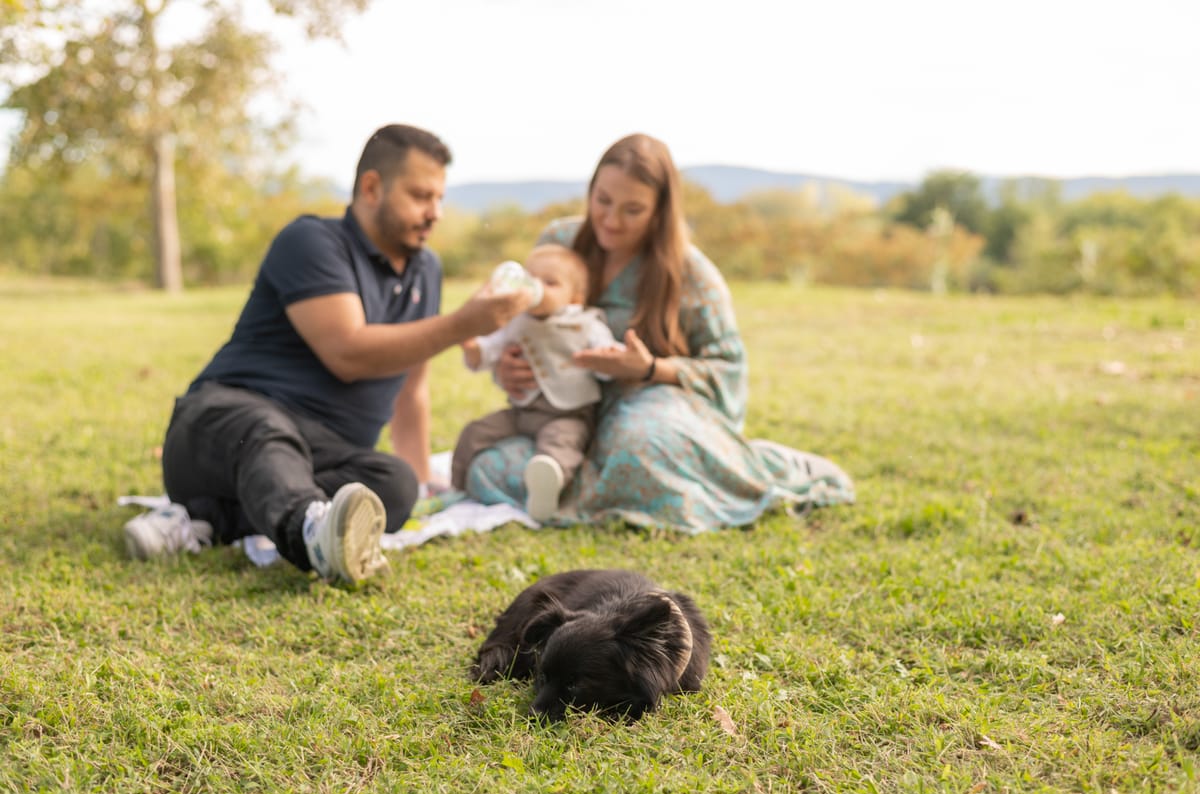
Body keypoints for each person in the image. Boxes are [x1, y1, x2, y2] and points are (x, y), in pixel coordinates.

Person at [124, 124, 534, 584]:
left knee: (395, 485)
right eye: (421, 196)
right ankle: (310, 532)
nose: (434, 212)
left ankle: (203, 520)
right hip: (221, 424)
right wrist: (467, 322)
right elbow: (348, 352)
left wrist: (421, 477)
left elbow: (411, 387)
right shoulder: (312, 242)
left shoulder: (427, 270)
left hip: (319, 454)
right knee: (267, 433)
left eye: (439, 198)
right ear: (372, 187)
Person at [459, 133, 855, 532]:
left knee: (640, 447)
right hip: (564, 412)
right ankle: (588, 487)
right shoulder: (559, 244)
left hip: (647, 404)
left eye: (633, 210)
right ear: (590, 190)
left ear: (659, 211)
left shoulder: (691, 273)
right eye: (603, 201)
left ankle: (761, 467)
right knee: (487, 467)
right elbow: (521, 322)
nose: (612, 221)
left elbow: (728, 370)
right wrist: (508, 370)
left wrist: (648, 369)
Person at [450, 244, 618, 521]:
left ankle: (546, 488)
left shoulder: (585, 324)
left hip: (567, 414)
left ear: (574, 299)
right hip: (523, 411)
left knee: (560, 445)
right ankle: (455, 487)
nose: (535, 287)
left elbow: (607, 357)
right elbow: (489, 350)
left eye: (550, 283)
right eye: (531, 279)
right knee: (475, 432)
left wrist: (609, 357)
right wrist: (471, 347)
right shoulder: (517, 321)